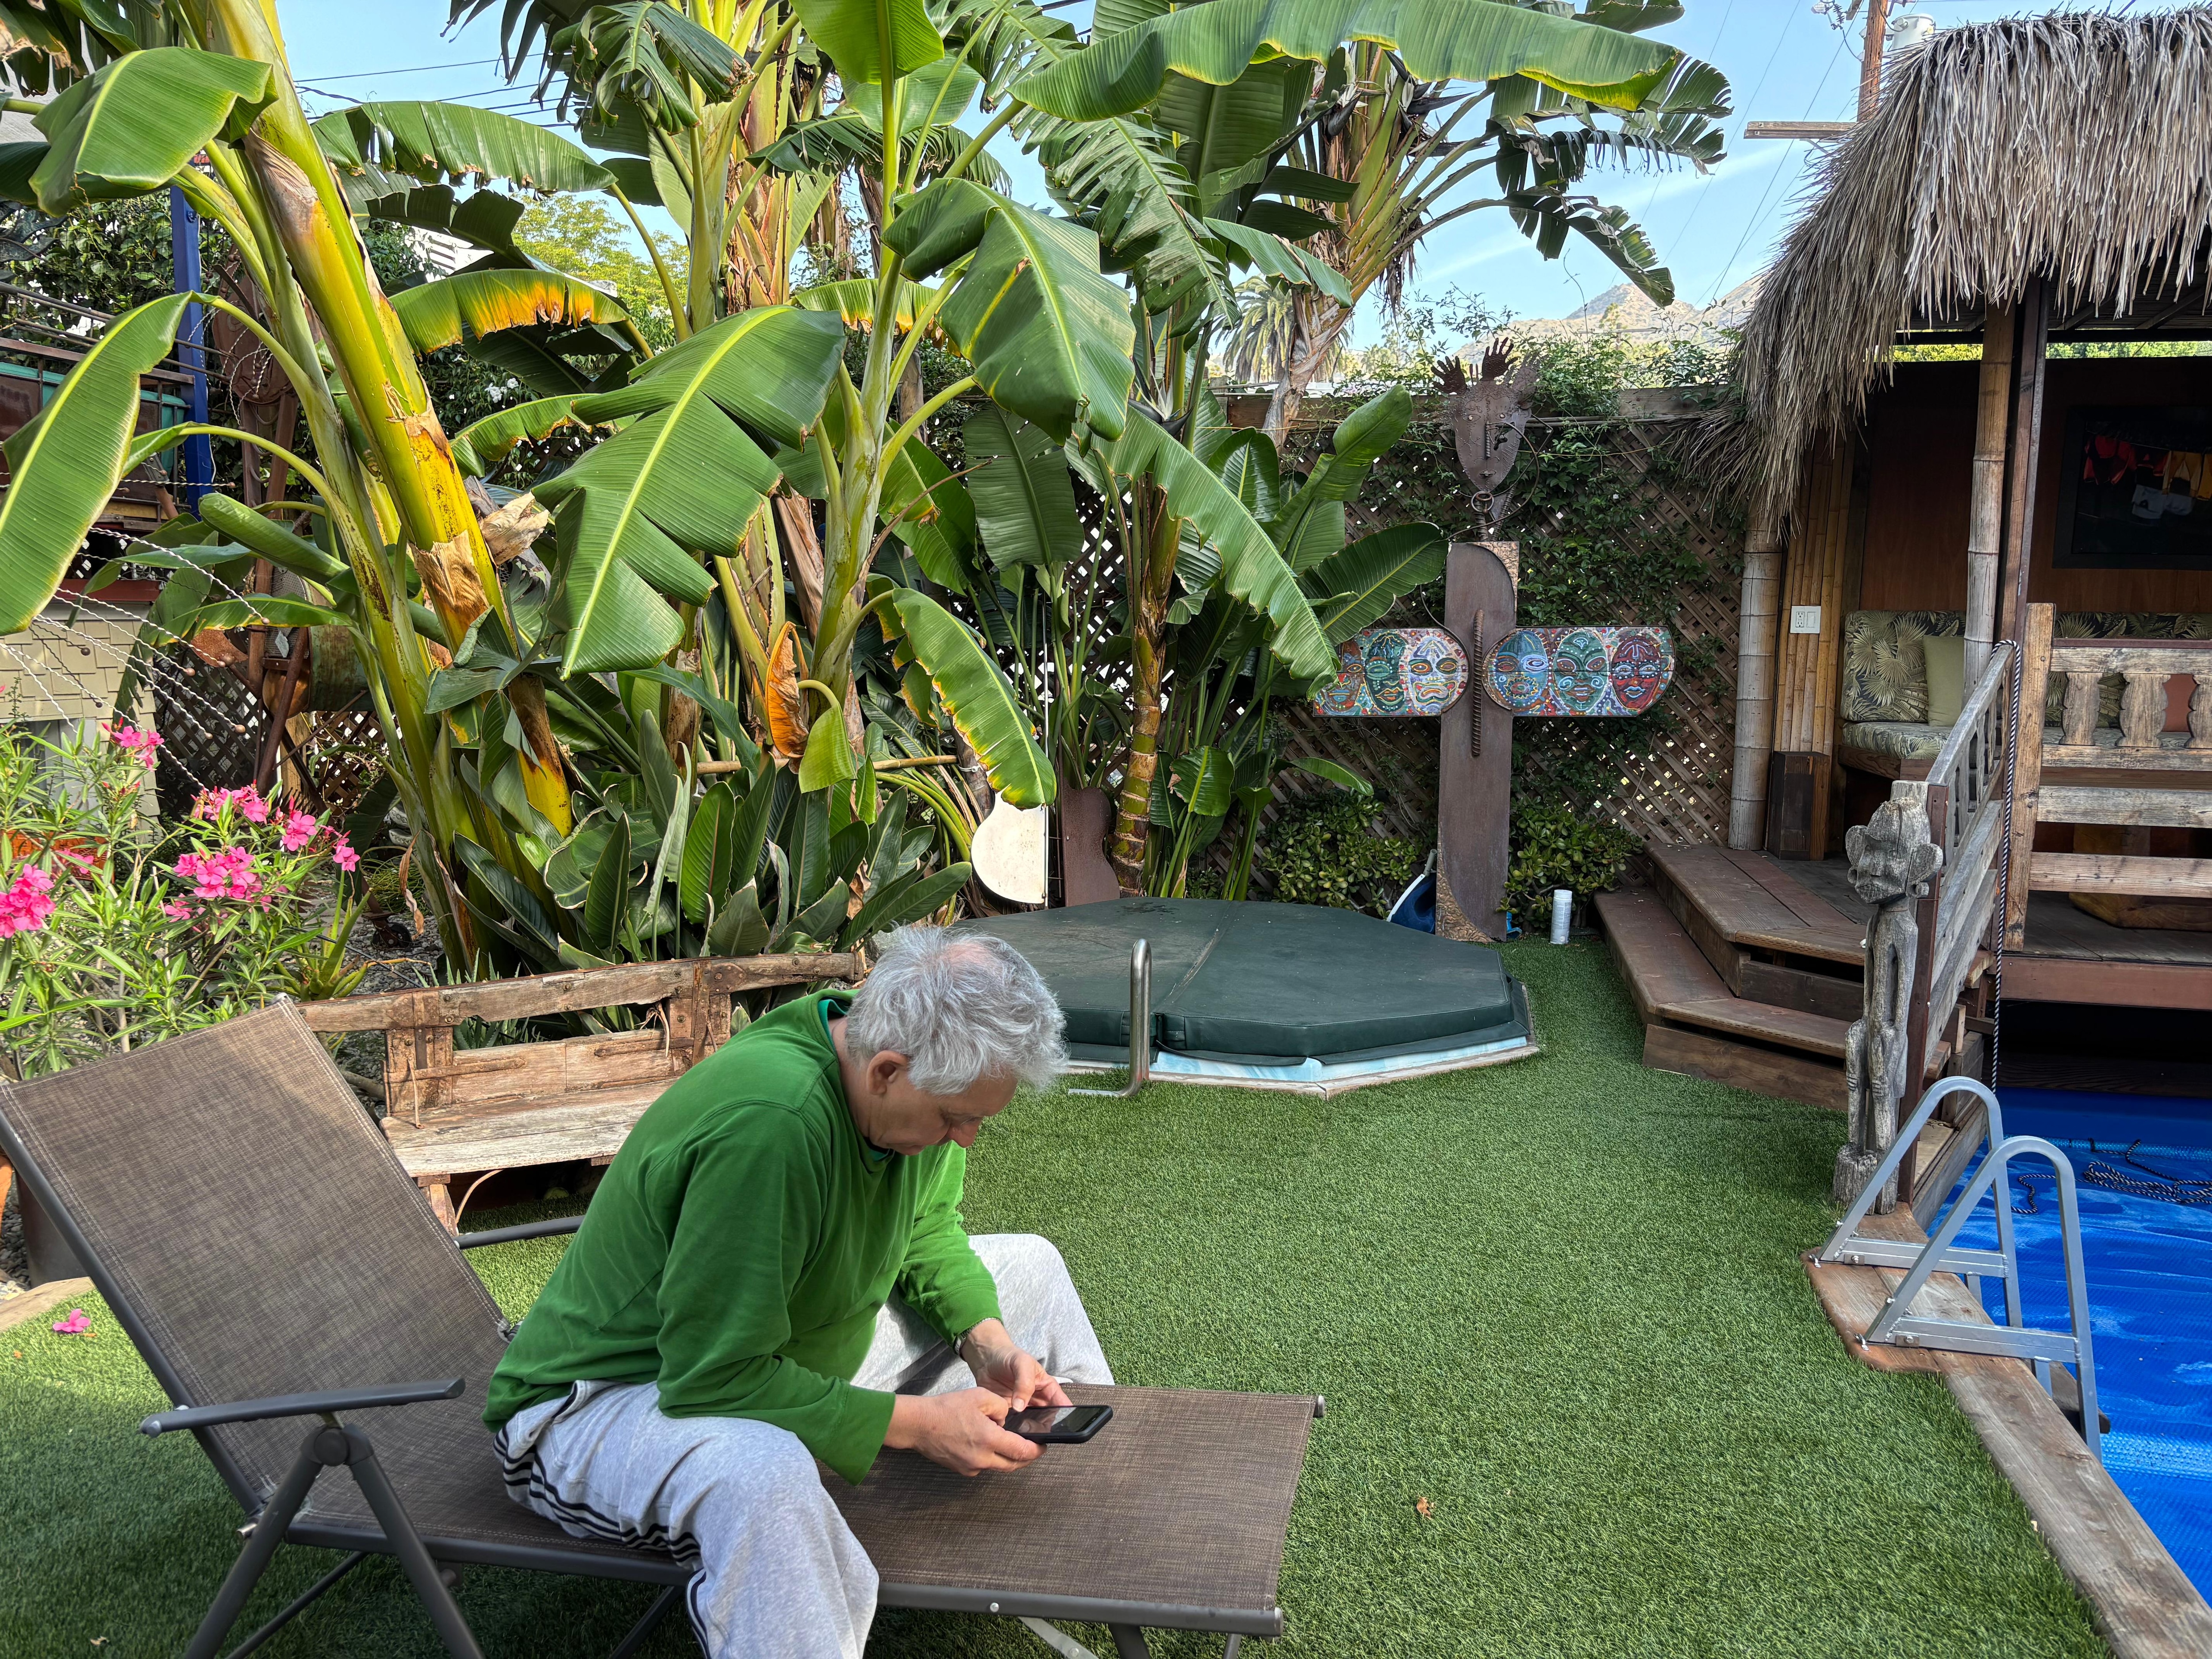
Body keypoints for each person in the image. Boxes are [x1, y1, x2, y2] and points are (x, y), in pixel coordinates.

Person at [484, 925, 1111, 1659]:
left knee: (1029, 1266)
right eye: (954, 1118)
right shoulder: (773, 1129)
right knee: (766, 1474)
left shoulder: (892, 1069)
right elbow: (709, 1377)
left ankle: (1083, 1539)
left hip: (775, 1352)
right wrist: (914, 1423)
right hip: (606, 1402)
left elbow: (927, 1227)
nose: (967, 1138)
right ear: (885, 1071)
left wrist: (987, 1343)